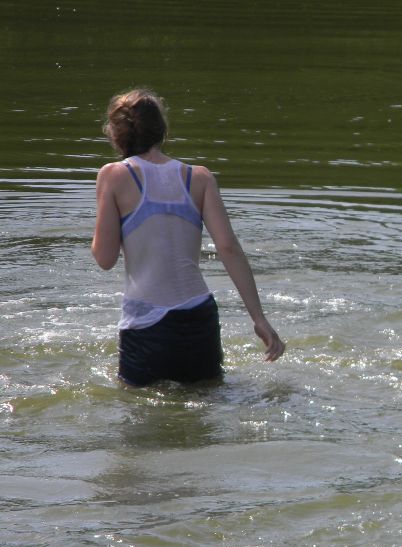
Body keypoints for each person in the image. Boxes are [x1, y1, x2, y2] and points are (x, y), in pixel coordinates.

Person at [92, 88, 284, 386]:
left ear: (116, 134)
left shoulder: (113, 175)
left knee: (139, 408)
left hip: (147, 324)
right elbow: (228, 247)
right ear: (162, 130)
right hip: (199, 319)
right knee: (207, 402)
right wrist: (259, 319)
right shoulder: (200, 177)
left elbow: (105, 259)